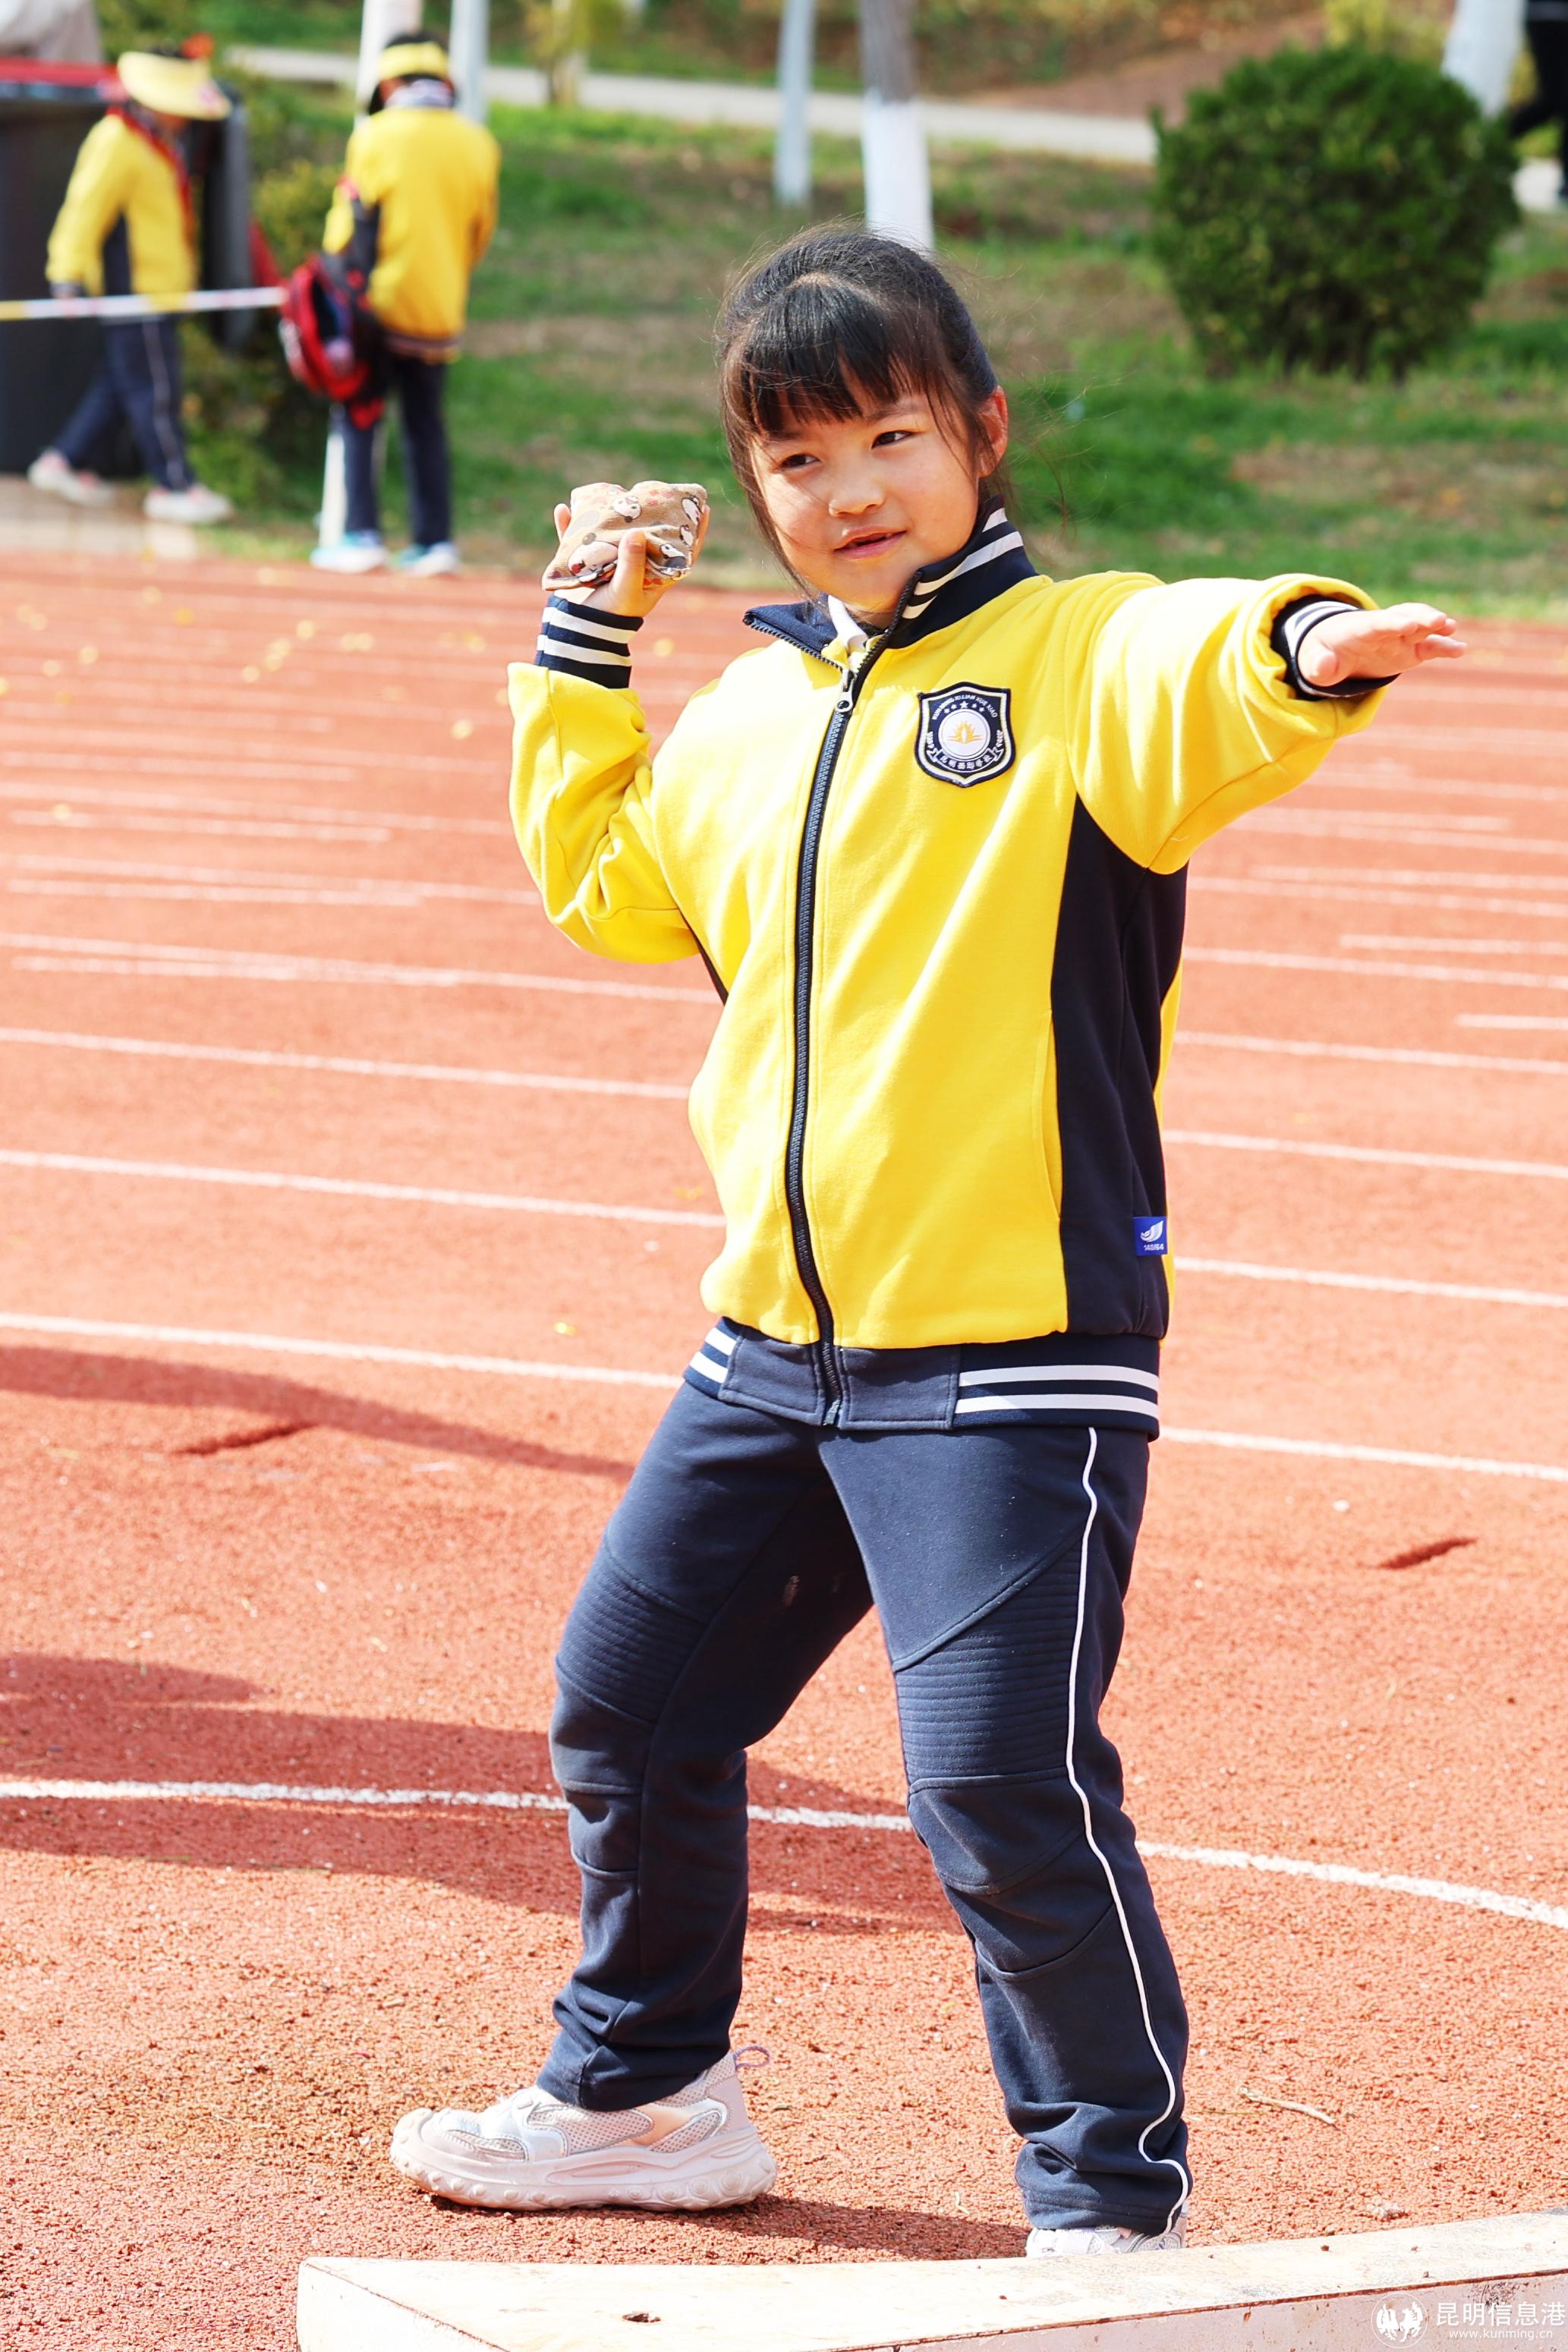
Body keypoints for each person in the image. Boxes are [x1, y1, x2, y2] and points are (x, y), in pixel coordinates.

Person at [390, 231, 1465, 2249]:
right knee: (631, 1702)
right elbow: (611, 884)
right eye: (797, 458)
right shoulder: (751, 712)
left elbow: (1189, 657)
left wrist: (1305, 640)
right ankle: (645, 2093)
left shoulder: (1066, 664)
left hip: (1009, 1349)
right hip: (771, 1348)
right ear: (756, 486)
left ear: (983, 431)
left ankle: (1105, 2204)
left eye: (889, 434)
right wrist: (582, 645)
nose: (851, 488)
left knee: (991, 1782)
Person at [311, 36, 499, 578]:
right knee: (425, 425)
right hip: (440, 308)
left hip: (377, 308)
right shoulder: (477, 141)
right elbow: (480, 231)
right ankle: (434, 541)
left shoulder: (375, 135)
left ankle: (361, 534)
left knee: (359, 416)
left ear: (390, 85)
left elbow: (346, 226)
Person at [28, 48, 235, 524]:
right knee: (155, 389)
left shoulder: (159, 144)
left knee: (120, 385)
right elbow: (85, 208)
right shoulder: (118, 139)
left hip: (160, 290)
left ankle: (64, 461)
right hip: (137, 294)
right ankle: (174, 484)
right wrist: (67, 273)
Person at [1510, 0, 1568, 203]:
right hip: (1546, 16)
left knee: (1557, 100)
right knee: (1554, 99)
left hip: (1553, 16)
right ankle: (1492, 138)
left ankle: (1492, 139)